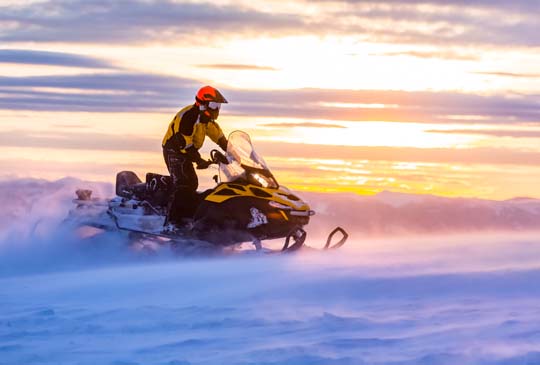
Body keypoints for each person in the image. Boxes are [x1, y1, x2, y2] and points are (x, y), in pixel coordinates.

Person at [162, 85, 228, 227]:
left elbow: (219, 137)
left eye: (218, 106)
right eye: (214, 105)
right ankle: (172, 224)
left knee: (192, 183)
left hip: (186, 151)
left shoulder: (206, 120)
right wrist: (199, 160)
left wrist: (232, 151)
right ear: (202, 104)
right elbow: (185, 145)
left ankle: (188, 217)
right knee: (184, 183)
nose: (216, 109)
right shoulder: (189, 117)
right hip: (174, 150)